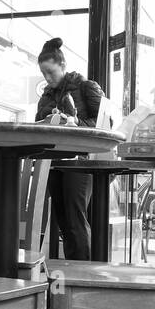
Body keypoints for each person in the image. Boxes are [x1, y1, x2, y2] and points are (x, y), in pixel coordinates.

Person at [34, 37, 104, 260]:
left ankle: (82, 274)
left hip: (79, 160)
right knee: (63, 219)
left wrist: (76, 124)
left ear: (62, 66)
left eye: (50, 72)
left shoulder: (86, 87)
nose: (47, 78)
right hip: (54, 161)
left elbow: (105, 123)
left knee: (75, 219)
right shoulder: (46, 95)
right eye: (43, 73)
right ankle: (71, 269)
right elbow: (36, 125)